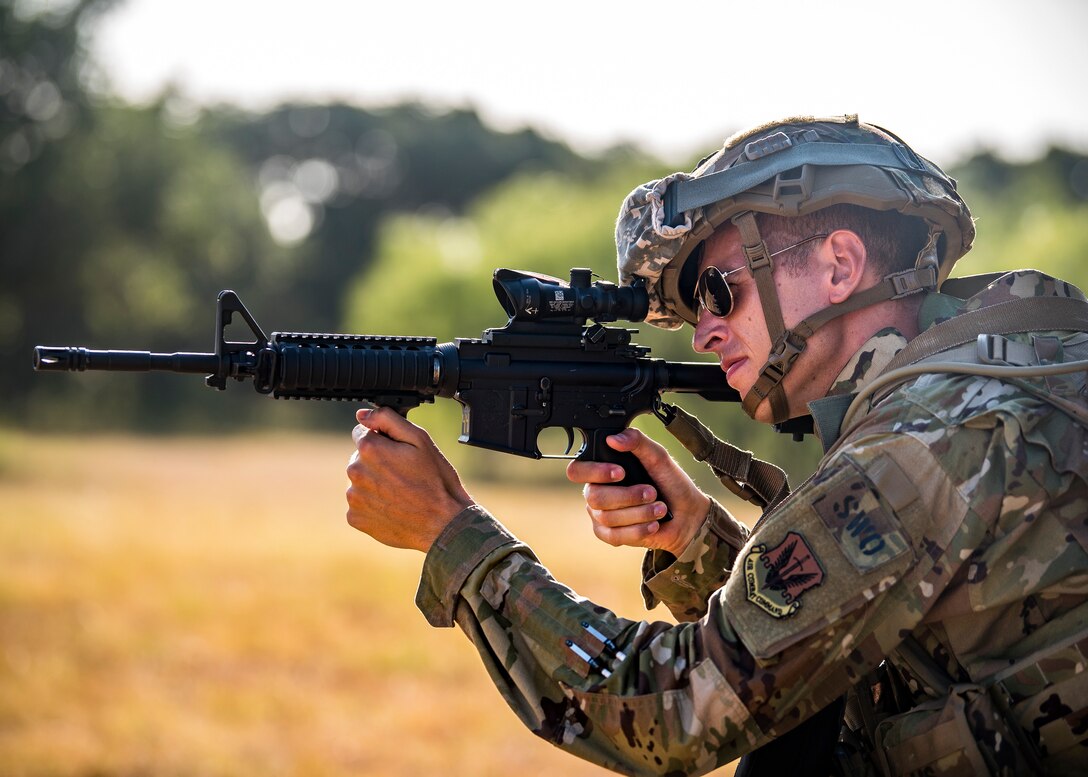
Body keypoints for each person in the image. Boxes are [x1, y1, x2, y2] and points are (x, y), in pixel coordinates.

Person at [344, 115, 1088, 775]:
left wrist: (454, 537)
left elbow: (674, 711)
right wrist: (700, 543)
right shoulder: (991, 374)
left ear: (839, 265)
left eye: (719, 292)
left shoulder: (921, 444)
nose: (704, 331)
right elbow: (833, 662)